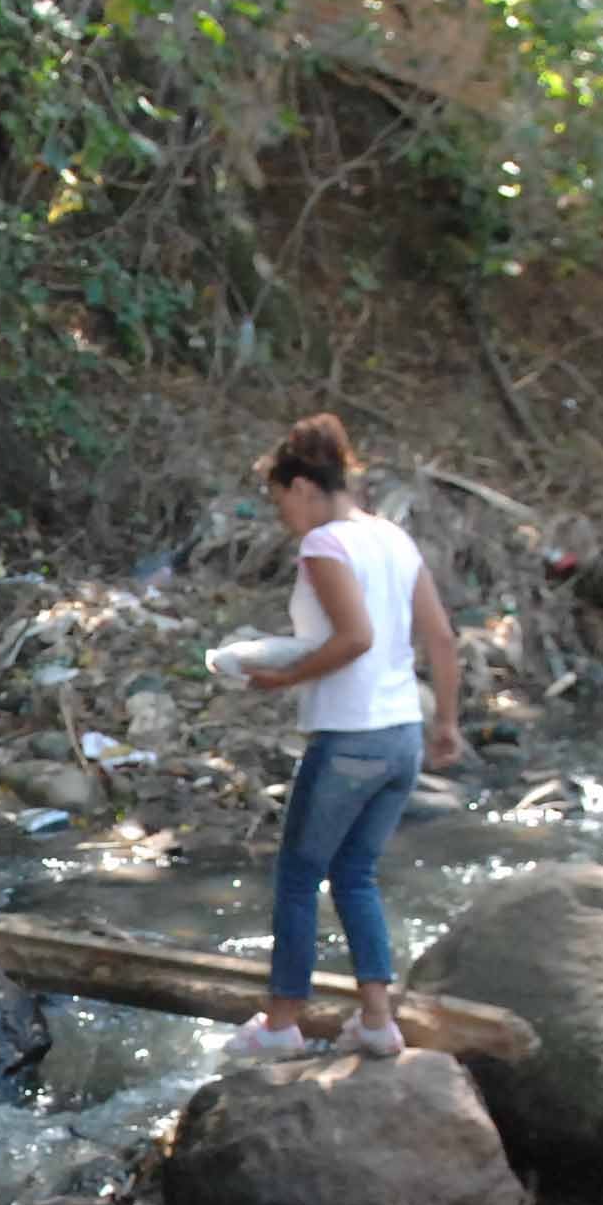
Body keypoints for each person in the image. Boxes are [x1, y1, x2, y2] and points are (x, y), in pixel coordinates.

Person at [222, 415, 467, 1062]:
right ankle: (377, 1023)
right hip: (401, 739)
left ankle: (279, 1026)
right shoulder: (392, 538)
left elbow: (354, 639)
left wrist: (283, 678)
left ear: (303, 486)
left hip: (350, 738)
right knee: (355, 873)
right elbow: (441, 638)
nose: (285, 518)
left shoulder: (327, 545)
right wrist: (446, 723)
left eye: (282, 502)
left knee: (299, 878)